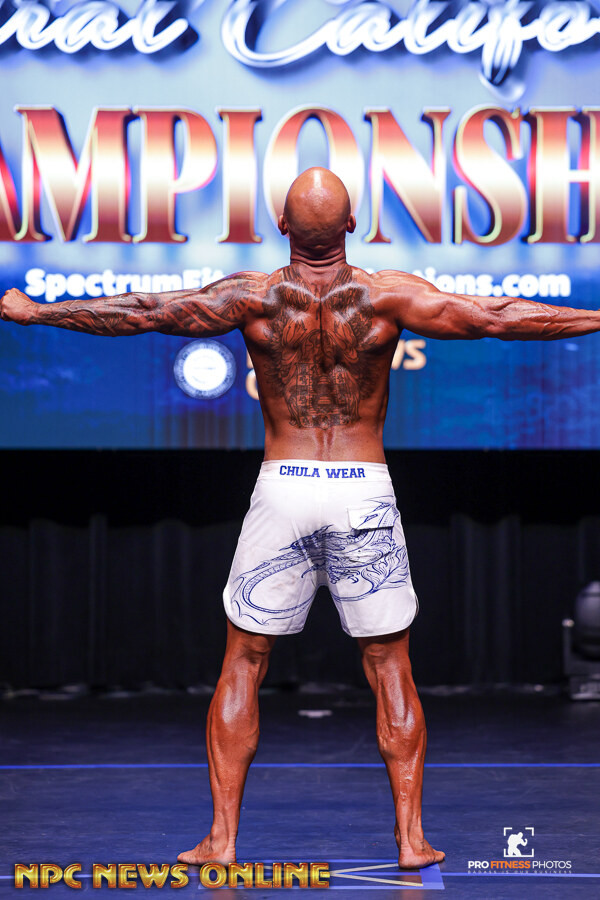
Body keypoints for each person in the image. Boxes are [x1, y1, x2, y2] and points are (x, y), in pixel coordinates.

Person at [2, 167, 600, 870]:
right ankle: (410, 840)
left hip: (283, 487)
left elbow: (144, 310)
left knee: (244, 662)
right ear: (353, 225)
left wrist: (36, 312)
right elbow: (498, 318)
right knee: (389, 667)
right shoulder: (387, 295)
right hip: (361, 489)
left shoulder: (252, 297)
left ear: (281, 225)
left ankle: (222, 840)